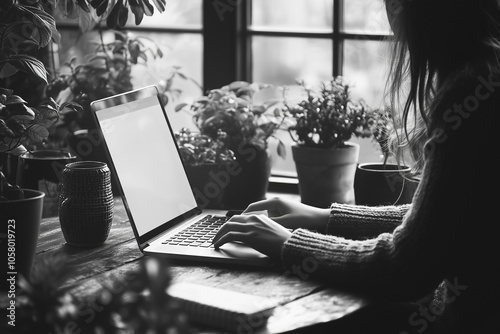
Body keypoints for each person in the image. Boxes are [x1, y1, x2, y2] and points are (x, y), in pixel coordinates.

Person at [212, 0, 500, 333]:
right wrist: (324, 217)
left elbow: (405, 269)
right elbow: (441, 222)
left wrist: (288, 243)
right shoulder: (486, 69)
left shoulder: (473, 89)